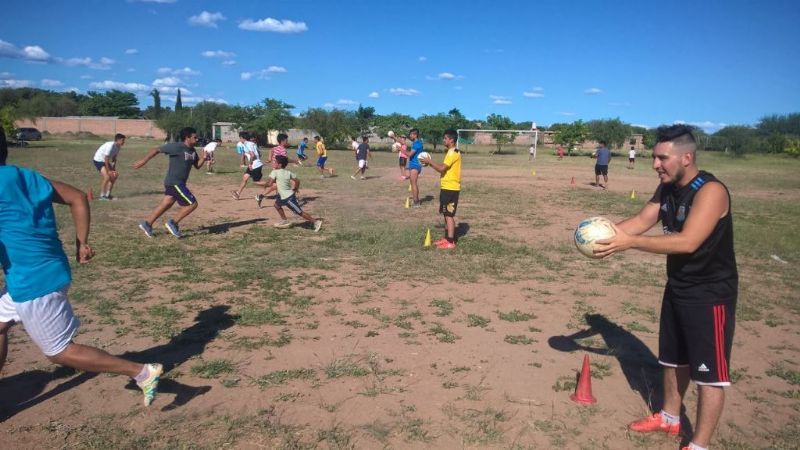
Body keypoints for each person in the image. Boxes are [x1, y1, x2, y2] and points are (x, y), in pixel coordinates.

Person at [594, 125, 738, 450]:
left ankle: (699, 445)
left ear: (686, 157)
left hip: (710, 295)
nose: (655, 164)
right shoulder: (668, 187)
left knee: (709, 375)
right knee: (673, 360)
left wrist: (629, 243)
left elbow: (687, 242)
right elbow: (643, 219)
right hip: (679, 287)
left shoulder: (710, 191)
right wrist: (603, 234)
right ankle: (670, 418)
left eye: (662, 158)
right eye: (654, 157)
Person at [0, 128, 163, 407]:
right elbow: (77, 197)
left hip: (34, 282)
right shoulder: (25, 175)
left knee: (59, 352)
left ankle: (142, 372)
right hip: (42, 270)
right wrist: (81, 243)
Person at [133, 127, 205, 238]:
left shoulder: (193, 151)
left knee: (166, 204)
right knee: (192, 204)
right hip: (174, 182)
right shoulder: (176, 147)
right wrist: (144, 160)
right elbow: (157, 149)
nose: (197, 139)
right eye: (195, 137)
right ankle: (173, 223)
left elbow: (197, 166)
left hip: (179, 183)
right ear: (187, 138)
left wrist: (204, 158)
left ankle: (147, 223)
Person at [420, 129, 462, 249]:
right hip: (446, 187)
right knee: (445, 213)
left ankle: (451, 241)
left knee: (449, 215)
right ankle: (446, 238)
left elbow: (441, 168)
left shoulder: (452, 153)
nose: (443, 140)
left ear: (451, 140)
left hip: (451, 188)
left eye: (445, 138)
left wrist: (429, 161)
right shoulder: (451, 151)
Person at [267, 155, 323, 232]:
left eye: (275, 162)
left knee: (299, 212)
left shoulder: (274, 172)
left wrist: (266, 182)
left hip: (288, 198)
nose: (273, 163)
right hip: (283, 196)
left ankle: (316, 222)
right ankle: (285, 220)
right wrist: (296, 188)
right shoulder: (288, 172)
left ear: (279, 165)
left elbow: (269, 184)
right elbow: (297, 181)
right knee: (276, 205)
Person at [231, 132, 268, 202]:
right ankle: (237, 194)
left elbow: (253, 155)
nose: (240, 140)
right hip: (253, 164)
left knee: (256, 182)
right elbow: (259, 154)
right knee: (245, 177)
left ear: (242, 138)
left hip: (255, 165)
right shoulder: (252, 143)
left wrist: (250, 163)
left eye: (240, 138)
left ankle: (274, 185)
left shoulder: (247, 144)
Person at [91, 133, 125, 200]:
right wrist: (109, 170)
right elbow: (106, 159)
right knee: (107, 177)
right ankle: (102, 196)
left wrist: (113, 169)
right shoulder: (110, 145)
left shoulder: (118, 147)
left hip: (105, 161)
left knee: (114, 176)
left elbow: (114, 158)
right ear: (118, 140)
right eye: (123, 140)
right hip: (98, 160)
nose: (124, 142)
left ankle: (108, 195)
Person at [404, 128, 424, 207]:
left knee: (414, 184)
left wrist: (400, 149)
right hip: (413, 165)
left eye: (411, 134)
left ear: (415, 135)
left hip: (415, 165)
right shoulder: (416, 143)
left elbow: (409, 154)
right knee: (413, 184)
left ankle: (416, 202)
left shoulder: (417, 144)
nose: (410, 135)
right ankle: (416, 200)